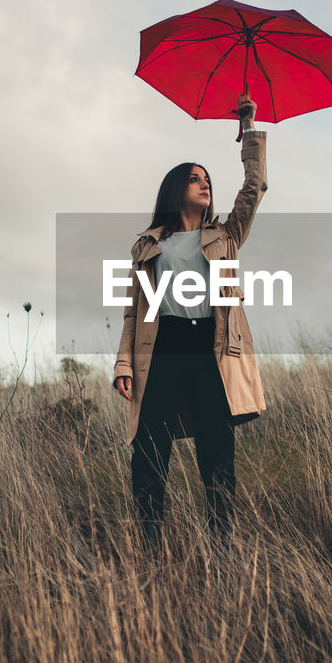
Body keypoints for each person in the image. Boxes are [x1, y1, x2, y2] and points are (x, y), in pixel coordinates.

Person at [112, 93, 268, 557]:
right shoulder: (146, 245)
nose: (204, 185)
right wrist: (124, 363)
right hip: (162, 350)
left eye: (207, 180)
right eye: (195, 178)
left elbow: (255, 186)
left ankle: (221, 553)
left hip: (211, 348)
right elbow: (134, 310)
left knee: (216, 456)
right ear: (175, 187)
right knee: (147, 454)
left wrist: (249, 129)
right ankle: (150, 549)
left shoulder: (226, 235)